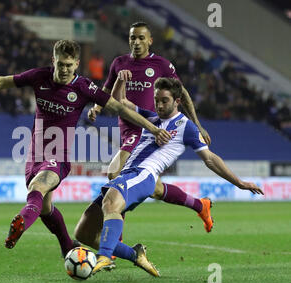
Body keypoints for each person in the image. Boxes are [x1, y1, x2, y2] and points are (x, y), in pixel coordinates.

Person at [0, 40, 171, 257]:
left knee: (38, 186)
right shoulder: (39, 76)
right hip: (35, 154)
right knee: (44, 207)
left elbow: (120, 109)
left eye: (69, 65)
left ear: (76, 64)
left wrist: (152, 128)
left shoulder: (83, 87)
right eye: (60, 64)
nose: (64, 70)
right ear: (53, 60)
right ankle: (67, 246)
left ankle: (20, 224)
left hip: (58, 157)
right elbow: (1, 82)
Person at [90, 77, 264, 276]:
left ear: (177, 102)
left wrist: (239, 182)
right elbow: (119, 103)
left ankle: (104, 256)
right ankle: (136, 253)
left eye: (164, 100)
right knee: (84, 231)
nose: (159, 105)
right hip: (133, 173)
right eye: (157, 100)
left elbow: (210, 159)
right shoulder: (151, 118)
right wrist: (120, 80)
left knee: (111, 202)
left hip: (143, 174)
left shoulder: (185, 126)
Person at [78, 22, 213, 248]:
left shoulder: (161, 65)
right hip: (127, 130)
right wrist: (98, 107)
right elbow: (108, 90)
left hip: (148, 130)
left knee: (115, 175)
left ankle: (113, 244)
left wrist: (197, 124)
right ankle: (200, 206)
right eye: (133, 38)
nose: (136, 42)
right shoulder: (119, 63)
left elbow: (183, 93)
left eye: (141, 38)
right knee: (155, 187)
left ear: (150, 40)